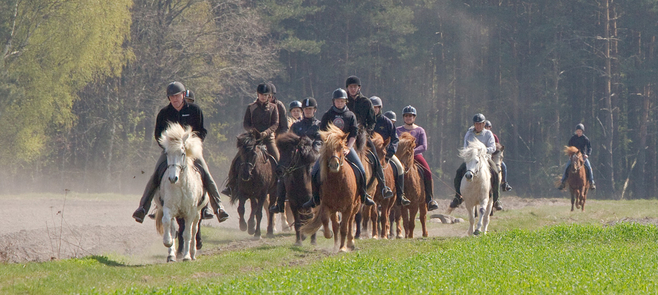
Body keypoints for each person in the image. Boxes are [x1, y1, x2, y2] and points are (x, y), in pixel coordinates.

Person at [132, 81, 229, 224]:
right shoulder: (164, 113)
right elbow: (158, 134)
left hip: (190, 151)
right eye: (171, 97)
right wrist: (167, 146)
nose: (174, 99)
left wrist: (193, 144)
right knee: (156, 175)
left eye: (177, 96)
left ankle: (217, 207)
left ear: (183, 95)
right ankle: (143, 208)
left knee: (206, 174)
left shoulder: (195, 110)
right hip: (170, 152)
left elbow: (202, 131)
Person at [302, 88, 376, 208]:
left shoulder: (350, 115)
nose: (339, 103)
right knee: (314, 171)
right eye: (337, 101)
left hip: (346, 146)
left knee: (361, 170)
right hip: (330, 148)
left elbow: (353, 134)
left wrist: (348, 147)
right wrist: (327, 146)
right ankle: (315, 198)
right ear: (333, 101)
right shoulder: (328, 115)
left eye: (342, 101)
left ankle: (363, 195)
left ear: (345, 102)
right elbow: (322, 132)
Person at [221, 83, 280, 197]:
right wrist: (253, 131)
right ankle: (231, 185)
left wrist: (266, 132)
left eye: (265, 95)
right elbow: (246, 123)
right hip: (253, 139)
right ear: (258, 94)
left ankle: (280, 184)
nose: (263, 97)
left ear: (269, 96)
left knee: (277, 159)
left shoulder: (274, 108)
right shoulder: (251, 107)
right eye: (261, 94)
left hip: (268, 139)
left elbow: (275, 124)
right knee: (237, 159)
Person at [345, 76, 394, 199]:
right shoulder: (343, 101)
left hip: (362, 135)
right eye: (350, 87)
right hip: (346, 135)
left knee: (375, 157)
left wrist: (366, 132)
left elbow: (372, 121)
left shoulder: (366, 102)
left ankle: (383, 186)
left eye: (355, 87)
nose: (352, 89)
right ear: (347, 88)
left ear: (359, 88)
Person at [270, 97, 321, 213]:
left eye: (310, 109)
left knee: (326, 174)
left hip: (313, 158)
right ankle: (280, 203)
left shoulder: (319, 125)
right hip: (298, 159)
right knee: (283, 175)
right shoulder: (296, 126)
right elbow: (290, 142)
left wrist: (313, 149)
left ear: (314, 110)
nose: (308, 111)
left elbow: (320, 141)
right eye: (306, 109)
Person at [448, 113, 500, 213]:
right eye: (476, 124)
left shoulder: (488, 134)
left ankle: (497, 200)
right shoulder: (469, 133)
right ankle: (458, 197)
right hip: (472, 158)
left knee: (495, 172)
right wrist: (472, 152)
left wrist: (482, 150)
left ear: (484, 124)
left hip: (485, 158)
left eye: (480, 124)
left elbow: (493, 148)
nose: (478, 126)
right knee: (459, 172)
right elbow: (465, 146)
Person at [396, 105, 440, 211]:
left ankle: (430, 199)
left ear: (414, 117)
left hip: (416, 156)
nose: (408, 118)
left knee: (428, 172)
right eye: (406, 116)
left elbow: (423, 146)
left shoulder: (420, 130)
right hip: (401, 157)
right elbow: (395, 143)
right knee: (391, 171)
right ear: (403, 117)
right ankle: (390, 195)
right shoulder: (398, 130)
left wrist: (411, 152)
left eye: (410, 116)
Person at [370, 96, 410, 206]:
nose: (374, 110)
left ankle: (400, 195)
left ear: (380, 108)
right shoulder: (365, 121)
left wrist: (390, 152)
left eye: (376, 107)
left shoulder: (387, 122)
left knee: (400, 168)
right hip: (368, 153)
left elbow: (395, 139)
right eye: (372, 107)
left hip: (384, 153)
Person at [558, 123, 596, 190]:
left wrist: (587, 154)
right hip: (574, 157)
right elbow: (569, 147)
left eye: (580, 131)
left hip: (583, 157)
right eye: (577, 131)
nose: (578, 132)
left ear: (582, 131)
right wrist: (570, 155)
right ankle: (563, 182)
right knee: (567, 167)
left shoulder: (585, 139)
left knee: (589, 168)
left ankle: (591, 182)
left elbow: (589, 147)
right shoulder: (573, 138)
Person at [485, 120, 512, 193]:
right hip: (485, 156)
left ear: (490, 127)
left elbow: (498, 146)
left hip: (494, 156)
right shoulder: (482, 136)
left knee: (503, 166)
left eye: (488, 127)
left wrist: (497, 149)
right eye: (485, 127)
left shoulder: (494, 136)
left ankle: (504, 183)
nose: (487, 128)